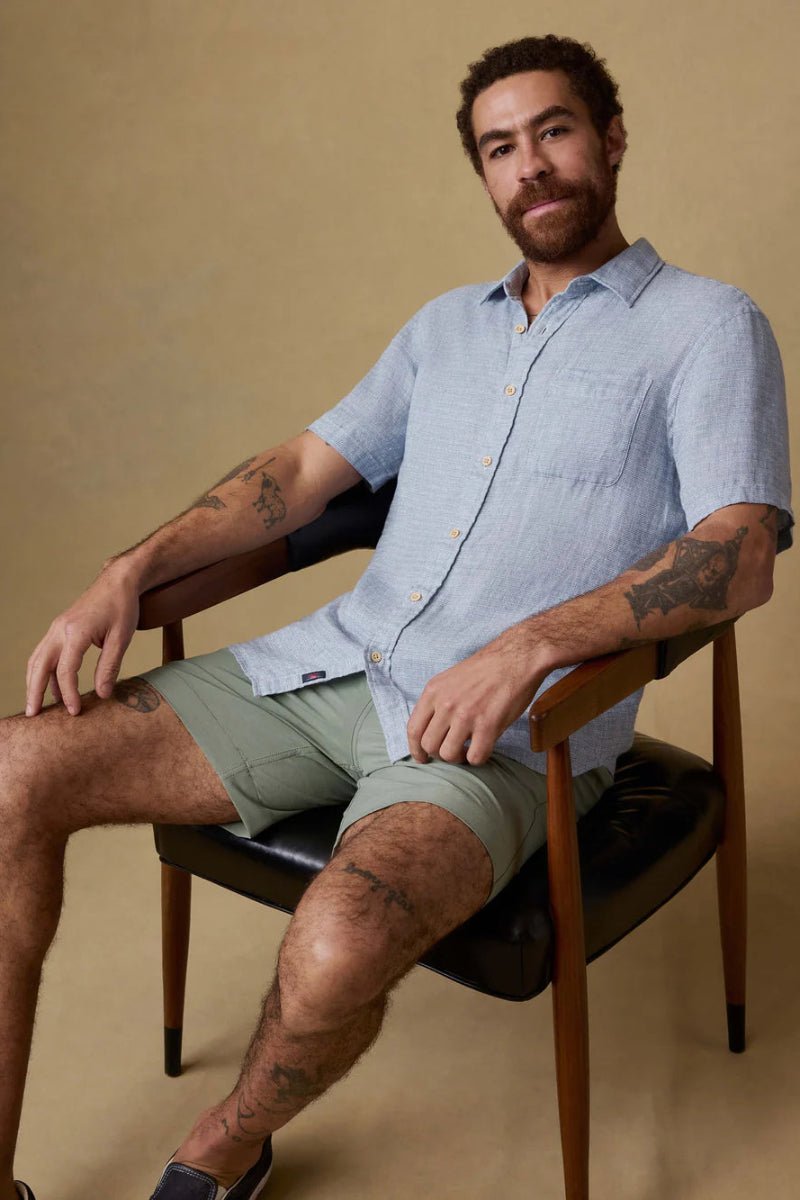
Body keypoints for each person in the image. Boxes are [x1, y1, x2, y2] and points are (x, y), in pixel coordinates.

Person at [3, 31, 793, 1200]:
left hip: (508, 737)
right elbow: (298, 476)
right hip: (322, 670)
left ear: (610, 140)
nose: (529, 165)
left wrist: (526, 645)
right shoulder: (441, 331)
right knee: (13, 769)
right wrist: (128, 569)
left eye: (555, 131)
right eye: (499, 147)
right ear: (482, 174)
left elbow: (738, 552)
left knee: (332, 949)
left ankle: (225, 1143)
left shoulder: (702, 326)